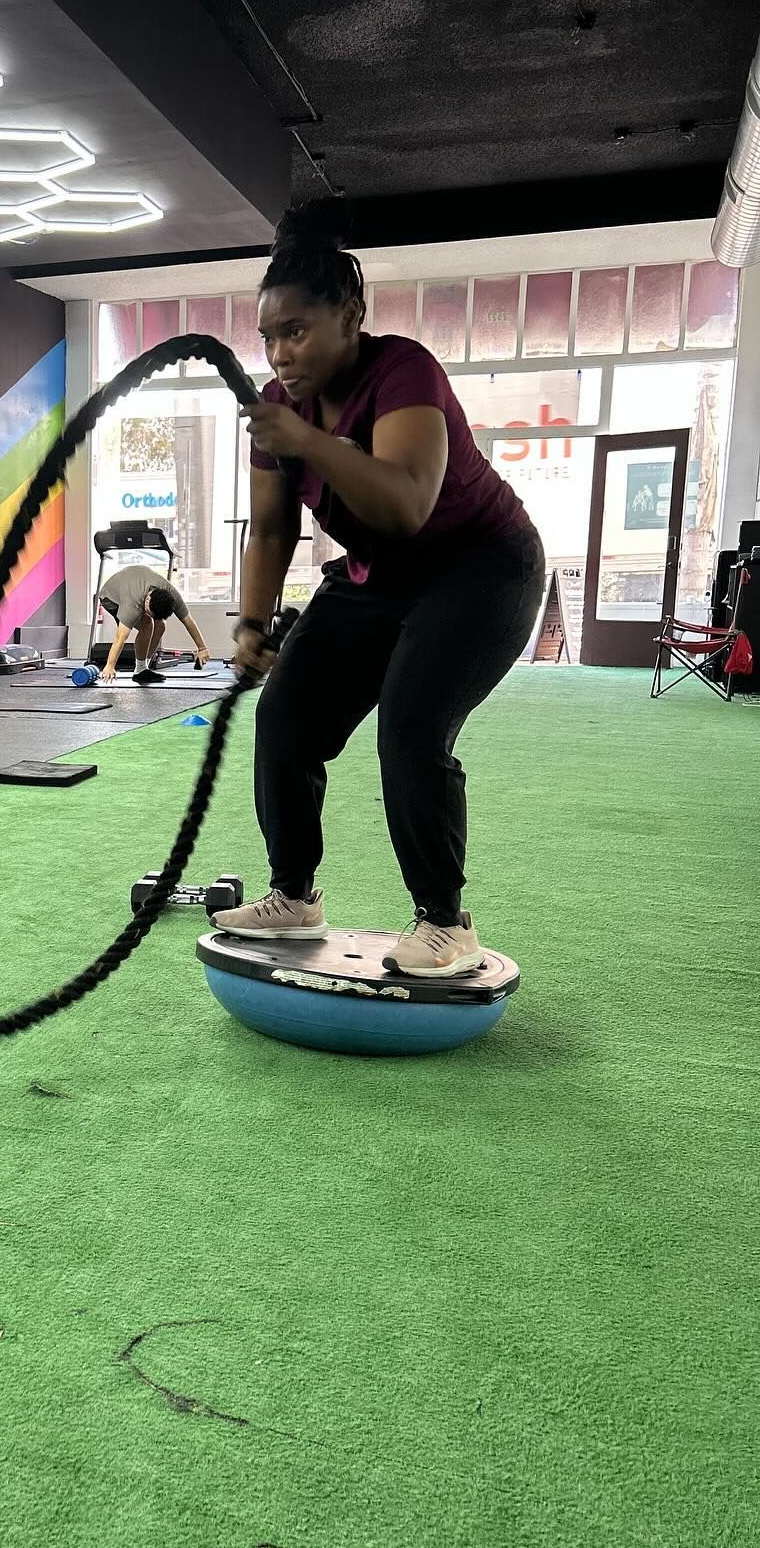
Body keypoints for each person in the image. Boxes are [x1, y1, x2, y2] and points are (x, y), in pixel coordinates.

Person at [213, 201, 545, 976]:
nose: (281, 352)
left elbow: (404, 505)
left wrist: (307, 440)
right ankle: (293, 895)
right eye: (268, 336)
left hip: (481, 568)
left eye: (296, 331)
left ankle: (444, 922)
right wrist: (252, 624)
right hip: (376, 579)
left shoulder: (403, 371)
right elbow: (268, 529)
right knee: (286, 715)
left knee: (411, 725)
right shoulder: (282, 408)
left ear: (350, 317)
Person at [96, 565, 211, 680]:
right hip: (109, 598)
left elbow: (188, 621)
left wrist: (202, 648)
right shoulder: (132, 603)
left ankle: (143, 667)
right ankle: (140, 670)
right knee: (147, 623)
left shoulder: (171, 594)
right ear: (147, 600)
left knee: (161, 626)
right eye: (148, 611)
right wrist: (110, 666)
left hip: (135, 582)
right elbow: (120, 637)